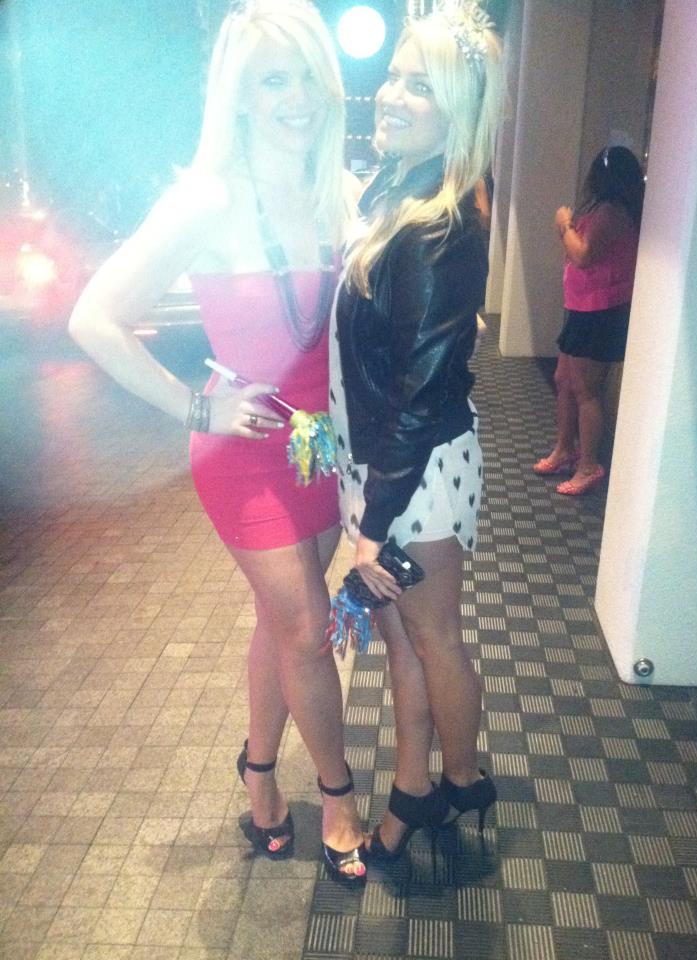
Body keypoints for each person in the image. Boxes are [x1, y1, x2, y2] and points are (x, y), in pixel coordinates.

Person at [69, 0, 367, 883]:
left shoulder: (338, 190)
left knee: (285, 619)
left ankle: (259, 774)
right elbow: (94, 317)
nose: (295, 97)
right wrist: (191, 408)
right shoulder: (207, 196)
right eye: (272, 79)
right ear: (237, 93)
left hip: (315, 445)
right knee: (308, 626)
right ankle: (339, 794)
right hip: (242, 452)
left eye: (307, 76)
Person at [330, 2, 503, 862]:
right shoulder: (397, 190)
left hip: (417, 468)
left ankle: (461, 782)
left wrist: (372, 523)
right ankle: (414, 790)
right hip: (386, 462)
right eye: (395, 76)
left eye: (420, 86)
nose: (393, 95)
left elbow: (422, 393)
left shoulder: (439, 224)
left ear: (458, 111)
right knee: (402, 637)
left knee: (433, 636)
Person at [533, 145, 645, 495]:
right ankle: (564, 449)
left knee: (586, 390)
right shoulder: (603, 208)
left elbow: (582, 254)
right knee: (563, 379)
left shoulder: (612, 211)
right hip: (584, 307)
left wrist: (564, 225)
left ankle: (589, 464)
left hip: (601, 310)